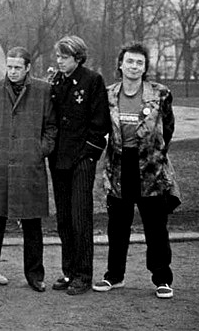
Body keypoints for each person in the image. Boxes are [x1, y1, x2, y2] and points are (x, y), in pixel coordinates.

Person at [93, 42, 181, 299]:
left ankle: (162, 279)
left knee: (156, 226)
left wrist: (152, 152)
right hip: (119, 166)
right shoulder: (108, 93)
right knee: (117, 225)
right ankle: (114, 276)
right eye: (129, 61)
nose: (134, 66)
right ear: (120, 64)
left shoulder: (160, 93)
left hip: (151, 168)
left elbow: (168, 129)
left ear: (145, 68)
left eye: (139, 63)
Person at [0, 47, 58, 294]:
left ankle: (35, 276)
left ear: (28, 67)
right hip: (1, 165)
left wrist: (40, 150)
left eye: (18, 67)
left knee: (32, 225)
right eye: (9, 66)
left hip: (30, 167)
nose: (13, 71)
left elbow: (51, 127)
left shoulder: (43, 90)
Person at [49, 35, 111, 295]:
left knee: (80, 217)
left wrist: (89, 155)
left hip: (82, 159)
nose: (59, 61)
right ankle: (68, 271)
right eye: (58, 56)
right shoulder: (56, 81)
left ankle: (83, 275)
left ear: (78, 57)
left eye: (64, 57)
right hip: (59, 158)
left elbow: (100, 124)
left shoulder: (92, 81)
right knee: (63, 219)